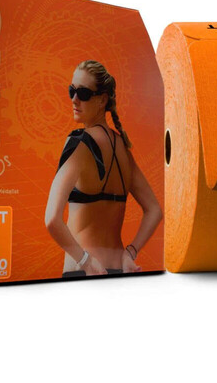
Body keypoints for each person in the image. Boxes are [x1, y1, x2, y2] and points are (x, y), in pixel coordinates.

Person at [45, 60, 162, 277]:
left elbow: (52, 219)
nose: (74, 99)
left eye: (83, 93)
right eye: (71, 91)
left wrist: (85, 261)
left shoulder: (80, 143)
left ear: (102, 100)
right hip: (119, 268)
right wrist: (131, 252)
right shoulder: (123, 149)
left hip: (85, 270)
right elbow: (154, 210)